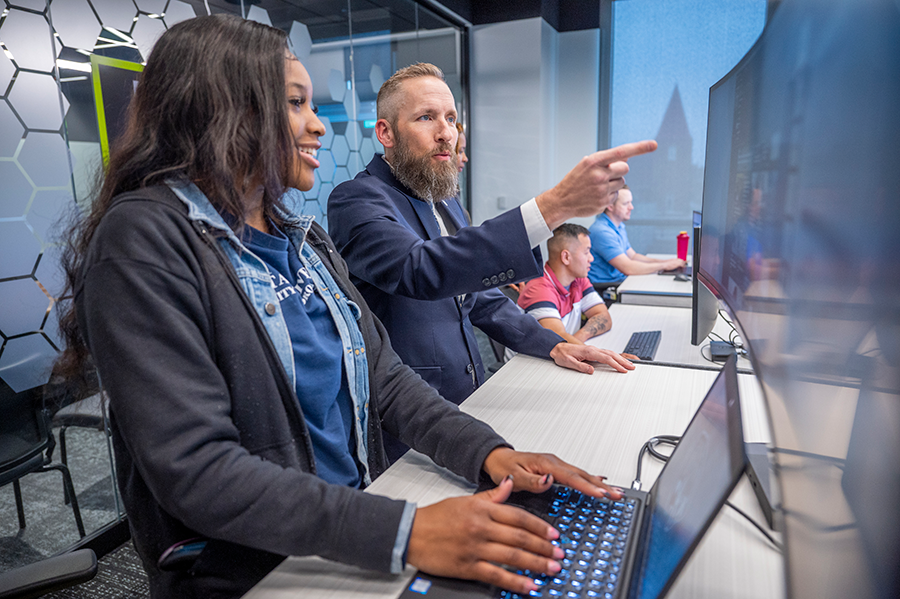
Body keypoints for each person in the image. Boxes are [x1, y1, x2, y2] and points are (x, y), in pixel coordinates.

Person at [54, 16, 622, 598]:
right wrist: (409, 531)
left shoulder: (300, 237)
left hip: (354, 522)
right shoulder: (142, 240)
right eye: (297, 104)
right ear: (229, 109)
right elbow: (198, 472)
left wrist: (489, 452)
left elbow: (385, 377)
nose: (318, 127)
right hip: (258, 568)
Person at [327, 62, 651, 417]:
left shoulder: (446, 201)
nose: (446, 134)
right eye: (426, 118)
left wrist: (554, 345)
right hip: (408, 415)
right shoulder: (355, 199)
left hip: (470, 396)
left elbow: (480, 300)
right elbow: (419, 269)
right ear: (385, 133)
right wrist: (552, 207)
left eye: (450, 119)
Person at [517, 224, 615, 345]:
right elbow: (558, 341)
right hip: (528, 362)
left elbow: (604, 316)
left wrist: (578, 338)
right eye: (586, 252)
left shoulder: (578, 279)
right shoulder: (539, 289)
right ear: (566, 257)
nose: (591, 259)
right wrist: (604, 357)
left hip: (559, 355)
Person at [588, 185, 686, 288]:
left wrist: (666, 262)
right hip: (606, 287)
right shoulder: (602, 232)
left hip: (620, 281)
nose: (631, 207)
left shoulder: (618, 226)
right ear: (610, 206)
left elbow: (633, 256)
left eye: (631, 202)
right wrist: (664, 266)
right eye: (626, 203)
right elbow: (628, 268)